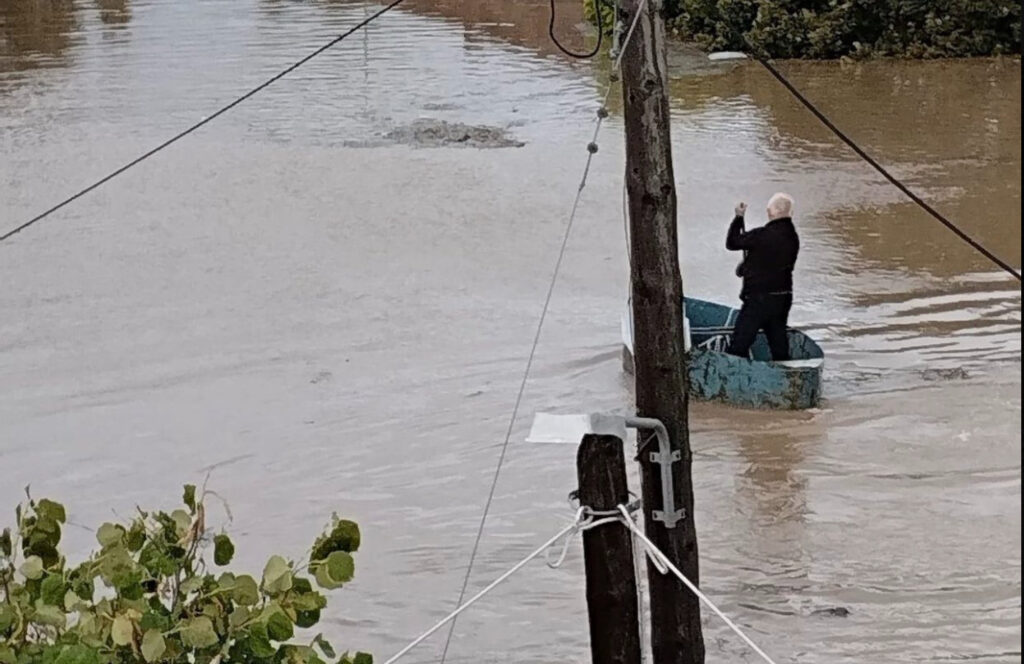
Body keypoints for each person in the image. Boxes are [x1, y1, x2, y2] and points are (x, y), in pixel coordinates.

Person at [725, 193, 800, 361]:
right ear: (790, 213)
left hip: (759, 299)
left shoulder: (762, 235)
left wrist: (738, 217)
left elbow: (732, 242)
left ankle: (734, 377)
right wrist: (746, 266)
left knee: (739, 344)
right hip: (783, 297)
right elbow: (771, 261)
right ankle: (785, 377)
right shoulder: (793, 238)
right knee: (779, 344)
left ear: (772, 212)